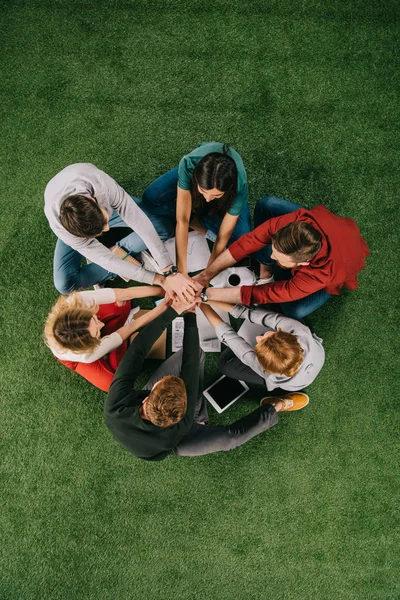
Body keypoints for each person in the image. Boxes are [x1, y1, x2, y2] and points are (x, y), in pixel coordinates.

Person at [104, 296, 309, 461]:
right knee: (230, 439)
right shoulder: (182, 424)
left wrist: (179, 311)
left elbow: (139, 348)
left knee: (197, 353)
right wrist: (191, 314)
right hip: (169, 444)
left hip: (162, 427)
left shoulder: (115, 404)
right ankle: (276, 406)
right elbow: (189, 368)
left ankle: (199, 419)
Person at [194, 196, 370, 319]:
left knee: (294, 309)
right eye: (274, 248)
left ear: (302, 263)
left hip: (341, 264)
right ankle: (266, 272)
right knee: (267, 204)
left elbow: (265, 293)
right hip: (326, 230)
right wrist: (204, 276)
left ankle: (270, 275)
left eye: (277, 257)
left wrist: (204, 294)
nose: (271, 254)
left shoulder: (319, 274)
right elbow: (248, 242)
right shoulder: (290, 226)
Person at [44, 163, 196, 301]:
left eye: (105, 221)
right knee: (64, 285)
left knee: (162, 227)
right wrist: (157, 279)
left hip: (107, 200)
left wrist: (169, 271)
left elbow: (140, 222)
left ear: (92, 199)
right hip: (75, 225)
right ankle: (117, 251)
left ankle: (117, 248)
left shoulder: (102, 185)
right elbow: (107, 260)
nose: (107, 229)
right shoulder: (63, 229)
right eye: (97, 234)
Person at [141, 142, 252, 276]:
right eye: (203, 190)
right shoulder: (188, 164)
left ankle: (199, 220)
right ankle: (196, 217)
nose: (208, 198)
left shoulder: (240, 184)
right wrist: (182, 272)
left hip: (226, 190)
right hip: (196, 169)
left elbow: (223, 236)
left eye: (217, 195)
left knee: (242, 238)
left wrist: (207, 274)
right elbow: (182, 220)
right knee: (151, 199)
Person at [44, 285, 165, 392]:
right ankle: (109, 341)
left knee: (122, 305)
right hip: (78, 358)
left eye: (94, 319)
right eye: (97, 332)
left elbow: (125, 293)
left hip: (85, 332)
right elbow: (129, 328)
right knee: (114, 383)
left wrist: (163, 291)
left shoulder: (78, 301)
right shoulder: (86, 355)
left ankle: (106, 331)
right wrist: (162, 308)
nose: (101, 325)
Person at [200, 301, 325, 393]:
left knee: (225, 365)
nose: (257, 338)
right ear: (282, 332)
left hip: (294, 379)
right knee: (268, 302)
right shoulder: (299, 331)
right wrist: (205, 298)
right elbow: (248, 313)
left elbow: (230, 338)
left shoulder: (269, 374)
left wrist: (202, 306)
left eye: (261, 340)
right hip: (311, 353)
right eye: (265, 337)